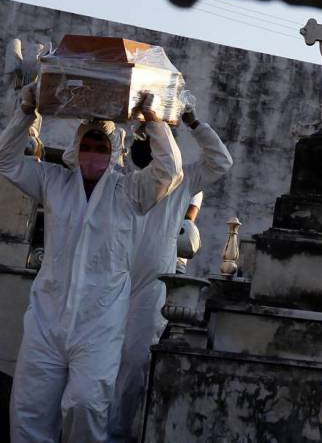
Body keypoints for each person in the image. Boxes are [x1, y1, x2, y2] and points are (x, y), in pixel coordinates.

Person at [0, 85, 183, 443]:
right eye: (88, 144)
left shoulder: (129, 192)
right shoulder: (54, 182)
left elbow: (170, 170)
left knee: (86, 405)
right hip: (46, 320)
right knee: (29, 410)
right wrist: (25, 111)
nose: (93, 152)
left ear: (114, 150)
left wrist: (155, 121)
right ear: (76, 147)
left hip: (99, 326)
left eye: (101, 146)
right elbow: (6, 160)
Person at [108, 103, 232, 443]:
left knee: (134, 365)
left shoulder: (184, 179)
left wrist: (193, 122)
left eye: (153, 136)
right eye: (142, 137)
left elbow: (221, 162)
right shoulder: (120, 180)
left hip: (152, 288)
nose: (145, 144)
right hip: (109, 282)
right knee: (98, 362)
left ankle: (118, 434)